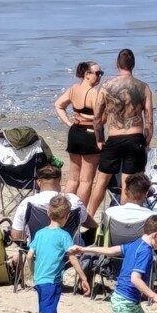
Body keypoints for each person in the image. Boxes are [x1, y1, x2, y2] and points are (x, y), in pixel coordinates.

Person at [88, 49, 153, 222]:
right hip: (135, 137)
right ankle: (122, 222)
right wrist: (147, 140)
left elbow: (96, 118)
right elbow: (149, 120)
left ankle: (87, 218)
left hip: (114, 138)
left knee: (101, 180)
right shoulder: (143, 87)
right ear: (133, 65)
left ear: (117, 65)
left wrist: (99, 139)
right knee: (128, 182)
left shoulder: (107, 86)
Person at [70, 216, 157, 313]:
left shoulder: (136, 243)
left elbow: (111, 250)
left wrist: (83, 249)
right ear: (156, 235)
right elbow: (135, 279)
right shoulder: (145, 252)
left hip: (127, 300)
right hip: (125, 302)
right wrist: (154, 296)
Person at [26, 195, 88, 313]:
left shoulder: (39, 233)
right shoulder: (64, 235)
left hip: (39, 280)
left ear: (48, 212)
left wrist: (34, 273)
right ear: (67, 216)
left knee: (45, 310)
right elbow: (72, 257)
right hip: (52, 282)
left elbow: (29, 256)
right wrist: (83, 277)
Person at [55, 61, 104, 208]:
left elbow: (58, 105)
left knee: (73, 178)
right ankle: (80, 211)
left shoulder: (74, 89)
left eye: (101, 73)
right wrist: (100, 139)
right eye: (97, 73)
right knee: (86, 180)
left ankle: (62, 209)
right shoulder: (95, 93)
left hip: (74, 132)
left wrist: (69, 123)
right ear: (87, 74)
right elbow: (100, 120)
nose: (100, 76)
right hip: (89, 134)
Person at [10, 165, 86, 241]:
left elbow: (16, 235)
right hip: (70, 250)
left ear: (38, 181)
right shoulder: (74, 200)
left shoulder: (28, 203)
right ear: (59, 180)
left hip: (38, 251)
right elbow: (89, 224)